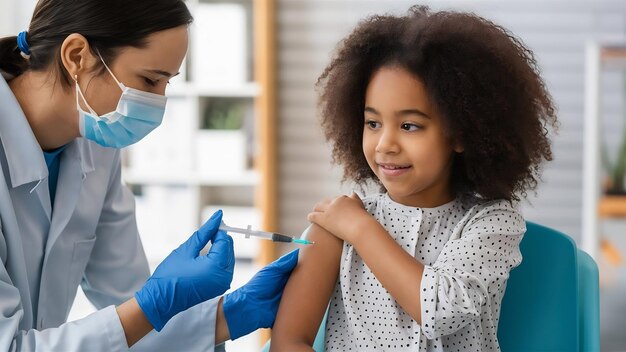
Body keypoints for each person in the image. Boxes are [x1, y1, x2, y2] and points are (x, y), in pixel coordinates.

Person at [0, 0, 298, 350]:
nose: (159, 102)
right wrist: (154, 303)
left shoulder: (97, 146)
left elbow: (128, 309)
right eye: (150, 79)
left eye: (167, 83)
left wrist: (226, 316)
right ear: (77, 56)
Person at [271, 5, 558, 352]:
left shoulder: (493, 224)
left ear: (461, 134)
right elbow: (288, 343)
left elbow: (441, 310)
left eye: (409, 126)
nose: (385, 144)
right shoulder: (334, 230)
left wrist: (362, 230)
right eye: (373, 123)